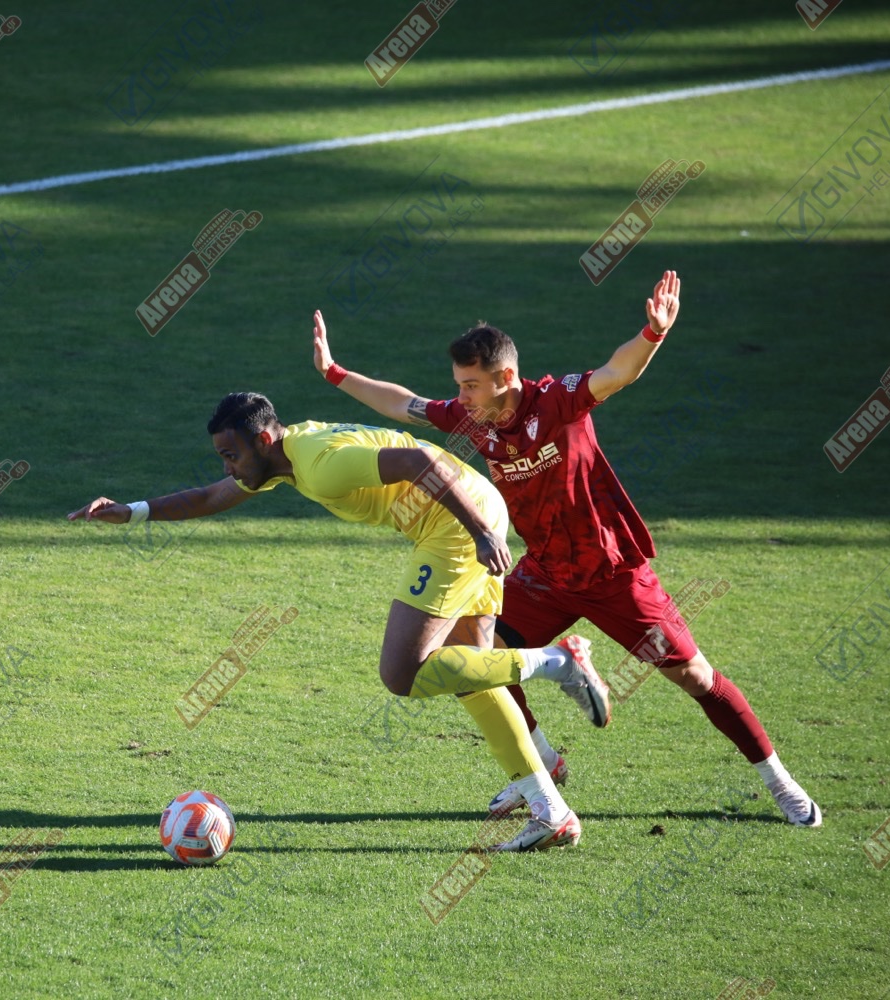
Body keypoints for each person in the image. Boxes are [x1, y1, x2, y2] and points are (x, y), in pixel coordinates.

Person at [311, 270, 822, 826]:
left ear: (506, 377)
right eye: (458, 385)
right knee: (474, 661)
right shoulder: (474, 418)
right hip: (544, 577)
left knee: (695, 677)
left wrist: (653, 333)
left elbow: (617, 372)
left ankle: (780, 783)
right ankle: (544, 766)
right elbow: (405, 405)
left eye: (471, 385)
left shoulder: (557, 401)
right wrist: (335, 372)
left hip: (613, 575)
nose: (461, 397)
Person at [68, 391, 612, 850]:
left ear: (263, 440)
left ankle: (557, 661)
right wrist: (133, 511)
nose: (227, 467)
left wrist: (480, 533)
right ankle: (549, 806)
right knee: (471, 671)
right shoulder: (285, 455)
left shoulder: (320, 464)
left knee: (403, 672)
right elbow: (213, 495)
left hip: (456, 524)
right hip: (474, 507)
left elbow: (419, 464)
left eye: (231, 455)